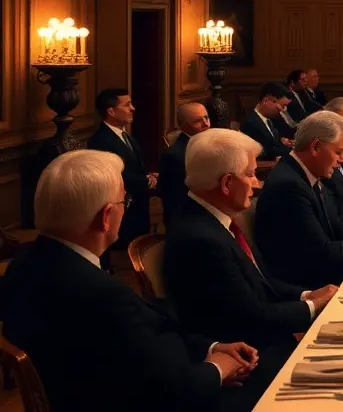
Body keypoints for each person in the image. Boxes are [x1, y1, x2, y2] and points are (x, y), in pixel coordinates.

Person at [1, 150, 260, 412]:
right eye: (125, 200)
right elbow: (169, 390)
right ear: (105, 217)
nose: (126, 207)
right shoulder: (101, 294)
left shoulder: (22, 266)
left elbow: (143, 338)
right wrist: (218, 368)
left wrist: (212, 347)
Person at [164, 129, 337, 362]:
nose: (257, 183)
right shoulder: (200, 239)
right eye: (251, 174)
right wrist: (312, 307)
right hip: (251, 358)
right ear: (227, 183)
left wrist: (306, 295)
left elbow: (260, 283)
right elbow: (250, 318)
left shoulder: (215, 218)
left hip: (265, 338)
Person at [254, 112, 343, 290]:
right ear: (316, 147)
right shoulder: (288, 185)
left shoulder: (306, 173)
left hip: (326, 271)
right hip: (310, 284)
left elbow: (335, 225)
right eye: (339, 152)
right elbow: (320, 253)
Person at [87, 88, 153, 249]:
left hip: (138, 208)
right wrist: (145, 180)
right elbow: (111, 175)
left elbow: (133, 166)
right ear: (111, 111)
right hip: (123, 213)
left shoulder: (125, 135)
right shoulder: (100, 140)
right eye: (127, 105)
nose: (133, 108)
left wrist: (149, 176)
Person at [157, 102, 211, 226]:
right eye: (198, 121)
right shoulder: (175, 156)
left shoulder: (210, 143)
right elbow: (175, 199)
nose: (206, 124)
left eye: (206, 117)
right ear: (183, 125)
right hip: (188, 222)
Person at [241, 82, 294, 161]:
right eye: (282, 105)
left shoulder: (268, 120)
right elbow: (269, 152)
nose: (283, 110)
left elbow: (276, 144)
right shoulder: (252, 123)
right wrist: (297, 150)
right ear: (266, 101)